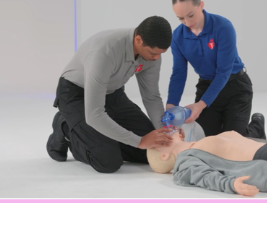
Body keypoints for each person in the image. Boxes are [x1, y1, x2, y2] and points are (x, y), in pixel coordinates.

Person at [46, 16, 176, 173]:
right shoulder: (104, 52)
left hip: (112, 93)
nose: (156, 58)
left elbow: (151, 97)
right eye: (153, 53)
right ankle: (65, 126)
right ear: (138, 40)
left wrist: (166, 132)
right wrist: (140, 141)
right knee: (107, 160)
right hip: (76, 95)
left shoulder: (153, 55)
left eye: (161, 54)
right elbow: (94, 114)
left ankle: (102, 136)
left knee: (150, 149)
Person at [166, 0, 266, 139]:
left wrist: (200, 105)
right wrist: (171, 106)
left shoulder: (223, 27)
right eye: (180, 18)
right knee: (206, 140)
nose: (187, 22)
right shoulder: (177, 37)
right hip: (207, 87)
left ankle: (257, 126)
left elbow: (223, 72)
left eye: (190, 15)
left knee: (232, 141)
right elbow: (179, 73)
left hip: (235, 88)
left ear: (201, 5)